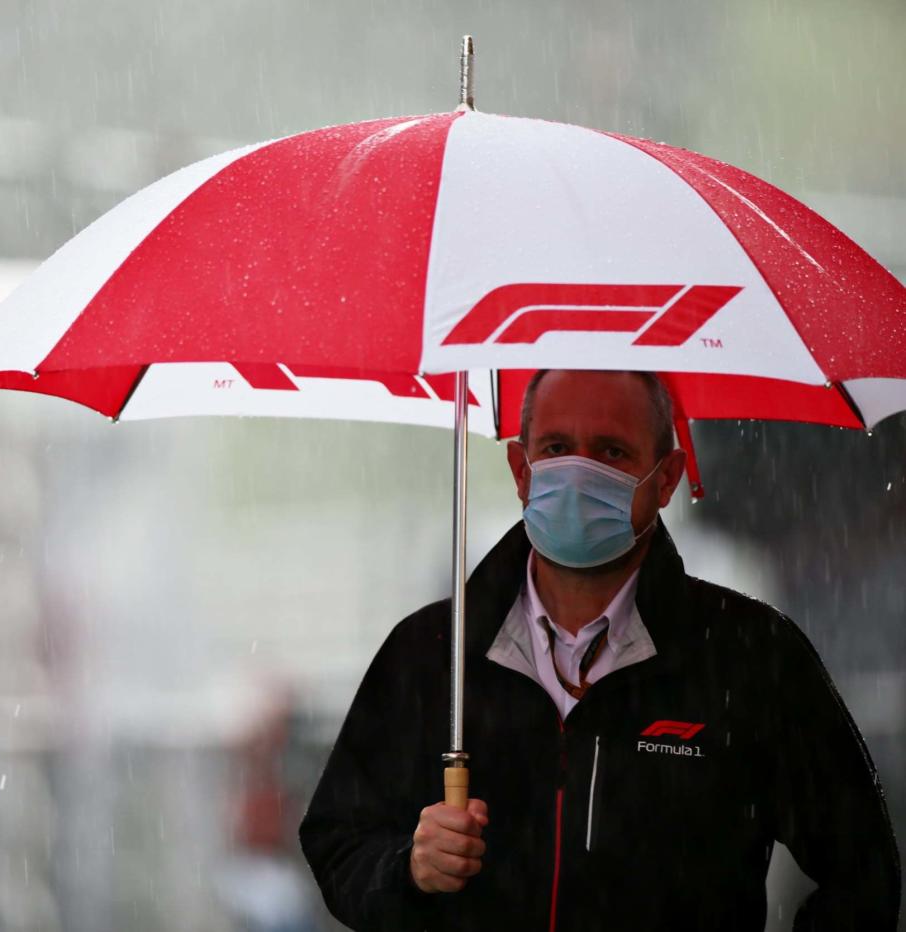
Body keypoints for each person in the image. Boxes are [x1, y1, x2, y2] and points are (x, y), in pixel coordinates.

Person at [299, 369, 900, 931]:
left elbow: (861, 870)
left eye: (611, 452)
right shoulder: (432, 651)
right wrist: (407, 869)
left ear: (665, 479)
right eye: (557, 448)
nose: (580, 474)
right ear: (520, 469)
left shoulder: (752, 653)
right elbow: (339, 841)